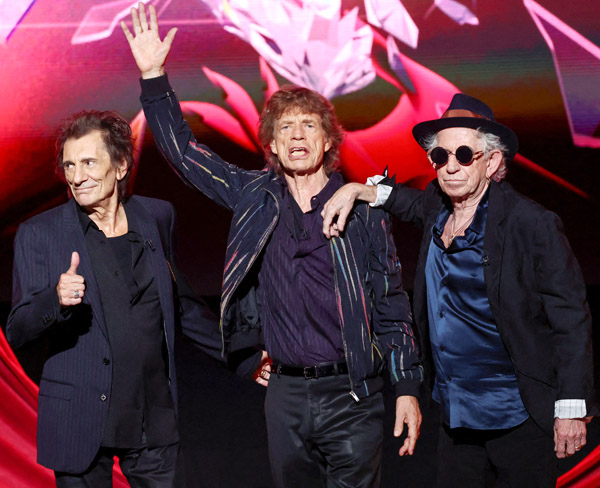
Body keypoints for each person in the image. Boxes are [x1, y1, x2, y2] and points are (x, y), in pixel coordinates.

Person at [121, 3, 423, 487]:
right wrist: (154, 78)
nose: (297, 134)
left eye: (309, 125)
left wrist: (406, 385)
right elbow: (186, 156)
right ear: (273, 146)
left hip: (353, 393)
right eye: (285, 127)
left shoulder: (362, 210)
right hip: (285, 394)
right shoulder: (254, 197)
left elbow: (390, 303)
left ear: (328, 141)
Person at [321, 93, 596, 487]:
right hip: (456, 418)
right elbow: (405, 201)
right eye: (440, 156)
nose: (450, 167)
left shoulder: (531, 223)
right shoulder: (438, 207)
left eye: (464, 155)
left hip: (520, 415)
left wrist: (571, 407)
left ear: (492, 162)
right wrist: (356, 190)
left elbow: (570, 318)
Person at [6, 110, 223, 487]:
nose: (77, 176)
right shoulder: (40, 234)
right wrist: (56, 299)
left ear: (121, 165)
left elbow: (181, 305)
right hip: (81, 420)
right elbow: (18, 329)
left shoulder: (157, 216)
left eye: (89, 162)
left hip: (152, 416)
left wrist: (246, 358)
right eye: (70, 165)